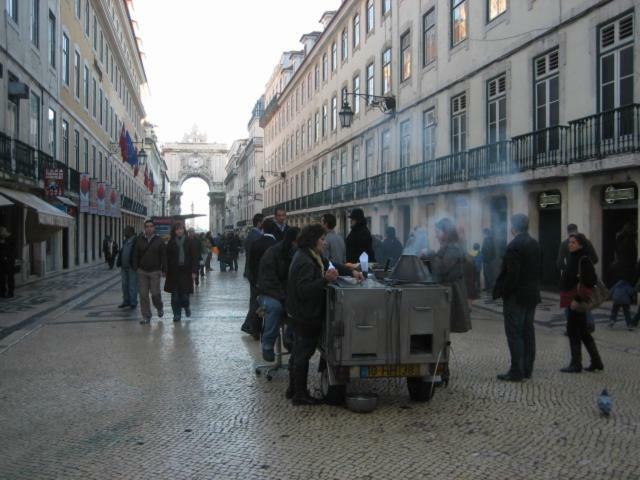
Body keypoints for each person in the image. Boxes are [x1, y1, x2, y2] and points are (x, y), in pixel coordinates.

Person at [286, 224, 362, 405]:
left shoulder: (312, 255)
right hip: (304, 314)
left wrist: (351, 271)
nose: (325, 243)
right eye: (322, 239)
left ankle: (293, 389)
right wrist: (324, 280)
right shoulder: (304, 261)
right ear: (313, 240)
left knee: (299, 351)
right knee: (303, 353)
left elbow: (331, 264)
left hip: (304, 313)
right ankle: (300, 394)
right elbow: (303, 290)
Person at [492, 214, 541, 382]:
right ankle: (527, 369)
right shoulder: (535, 243)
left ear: (513, 227)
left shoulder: (514, 246)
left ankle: (516, 370)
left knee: (515, 333)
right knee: (528, 331)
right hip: (532, 294)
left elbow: (512, 274)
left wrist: (504, 292)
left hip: (516, 296)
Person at [430, 218, 471, 386]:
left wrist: (431, 256)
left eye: (438, 232)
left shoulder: (453, 250)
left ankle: (442, 372)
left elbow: (441, 270)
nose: (436, 235)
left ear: (445, 233)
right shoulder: (449, 248)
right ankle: (442, 371)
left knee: (442, 335)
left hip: (450, 297)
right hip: (447, 295)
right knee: (441, 335)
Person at [558, 233, 604, 373]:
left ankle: (576, 364)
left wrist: (577, 300)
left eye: (573, 242)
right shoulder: (573, 257)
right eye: (569, 242)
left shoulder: (583, 259)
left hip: (576, 302)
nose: (570, 244)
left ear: (581, 244)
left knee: (573, 332)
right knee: (583, 332)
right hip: (570, 299)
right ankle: (596, 361)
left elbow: (589, 282)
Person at [256, 227, 300, 361]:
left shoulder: (298, 253)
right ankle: (268, 344)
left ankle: (290, 338)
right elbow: (267, 281)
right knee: (275, 307)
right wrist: (283, 297)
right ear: (292, 241)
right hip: (268, 293)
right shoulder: (272, 253)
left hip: (287, 293)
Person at [242, 219, 279, 338]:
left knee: (257, 303)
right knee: (272, 306)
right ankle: (270, 330)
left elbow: (251, 263)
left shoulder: (256, 243)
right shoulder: (276, 245)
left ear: (263, 229)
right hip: (272, 283)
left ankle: (255, 329)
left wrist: (253, 280)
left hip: (257, 280)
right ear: (274, 230)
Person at [132, 219, 167, 325]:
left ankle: (159, 307)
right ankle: (146, 316)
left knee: (155, 293)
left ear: (154, 228)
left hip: (155, 271)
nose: (149, 228)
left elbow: (163, 256)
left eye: (151, 226)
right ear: (144, 228)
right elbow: (135, 254)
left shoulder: (159, 240)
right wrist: (135, 267)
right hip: (142, 271)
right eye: (147, 226)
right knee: (143, 295)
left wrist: (164, 269)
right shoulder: (139, 240)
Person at [165, 222, 199, 322]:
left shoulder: (189, 242)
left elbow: (194, 257)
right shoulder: (171, 242)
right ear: (174, 231)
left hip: (186, 272)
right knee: (175, 296)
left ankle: (186, 306)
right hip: (174, 272)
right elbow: (167, 257)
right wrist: (165, 269)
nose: (179, 231)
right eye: (177, 229)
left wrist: (194, 271)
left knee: (184, 296)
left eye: (181, 229)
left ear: (184, 230)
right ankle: (177, 314)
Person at [116, 226, 138, 310]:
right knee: (124, 285)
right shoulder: (125, 241)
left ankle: (133, 302)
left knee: (132, 285)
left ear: (131, 232)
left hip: (132, 267)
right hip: (124, 266)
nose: (124, 233)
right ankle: (126, 301)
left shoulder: (135, 241)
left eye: (126, 231)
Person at [243, 214, 264, 278]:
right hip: (255, 271)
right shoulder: (257, 236)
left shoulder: (251, 234)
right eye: (264, 222)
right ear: (259, 223)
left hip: (251, 270)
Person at [0, 226, 16, 298]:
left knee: (10, 277)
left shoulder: (11, 238)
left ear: (4, 231)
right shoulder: (1, 238)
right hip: (2, 261)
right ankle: (2, 292)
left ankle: (11, 292)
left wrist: (4, 243)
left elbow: (12, 250)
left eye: (2, 232)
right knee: (2, 277)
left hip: (9, 262)